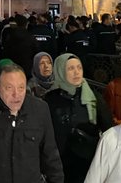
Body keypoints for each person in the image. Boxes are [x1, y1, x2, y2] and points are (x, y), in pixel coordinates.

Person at [45, 53, 113, 182]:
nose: (76, 72)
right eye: (70, 69)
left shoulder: (94, 98)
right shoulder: (50, 100)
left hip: (88, 166)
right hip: (59, 167)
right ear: (60, 70)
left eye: (79, 68)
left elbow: (108, 130)